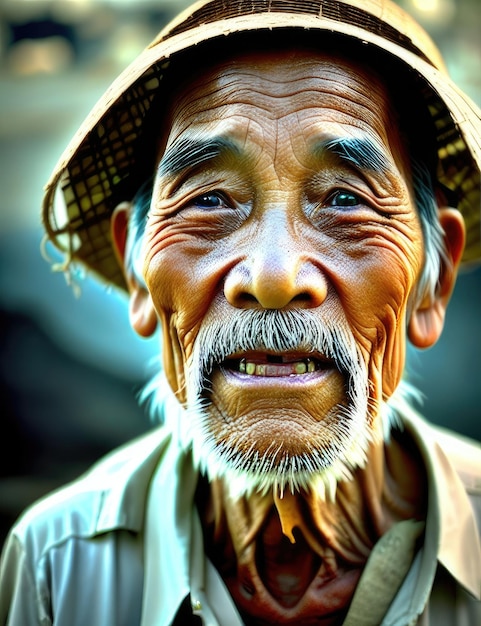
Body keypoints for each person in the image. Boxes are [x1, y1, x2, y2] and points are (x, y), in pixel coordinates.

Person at [1, 0, 480, 624]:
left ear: (433, 280)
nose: (275, 278)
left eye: (343, 199)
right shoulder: (56, 571)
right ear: (137, 276)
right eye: (210, 201)